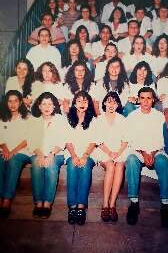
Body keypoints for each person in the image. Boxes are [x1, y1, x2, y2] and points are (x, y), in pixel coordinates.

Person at [124, 87, 168, 227]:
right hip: (138, 151)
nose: (145, 101)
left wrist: (151, 153)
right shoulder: (132, 116)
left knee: (163, 162)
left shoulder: (159, 116)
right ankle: (134, 203)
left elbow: (161, 140)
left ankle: (165, 204)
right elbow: (130, 139)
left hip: (156, 151)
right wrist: (143, 153)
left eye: (149, 98)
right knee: (132, 161)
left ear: (153, 100)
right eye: (142, 98)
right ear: (138, 100)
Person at [28, 92, 67, 219]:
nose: (47, 107)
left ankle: (47, 203)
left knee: (51, 165)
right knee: (36, 163)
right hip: (38, 152)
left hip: (57, 153)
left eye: (50, 104)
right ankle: (38, 202)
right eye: (44, 104)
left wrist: (51, 154)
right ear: (39, 106)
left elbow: (62, 141)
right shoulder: (34, 121)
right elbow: (31, 141)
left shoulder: (60, 120)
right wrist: (39, 154)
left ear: (55, 106)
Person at [91, 92, 128, 222]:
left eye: (114, 102)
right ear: (104, 103)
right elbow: (97, 140)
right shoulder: (98, 120)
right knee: (111, 166)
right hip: (103, 151)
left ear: (117, 104)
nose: (111, 104)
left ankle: (112, 205)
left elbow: (125, 139)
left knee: (120, 167)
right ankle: (105, 204)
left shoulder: (122, 119)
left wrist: (118, 152)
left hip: (119, 151)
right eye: (109, 101)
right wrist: (109, 152)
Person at [65, 91, 97, 225]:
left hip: (88, 153)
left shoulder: (93, 120)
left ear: (88, 103)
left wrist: (84, 156)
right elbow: (67, 141)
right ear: (74, 103)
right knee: (72, 165)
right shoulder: (67, 118)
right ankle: (72, 206)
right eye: (79, 101)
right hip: (71, 152)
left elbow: (93, 141)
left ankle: (81, 207)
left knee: (84, 167)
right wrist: (74, 156)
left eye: (85, 101)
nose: (82, 104)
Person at [0, 91, 31, 217]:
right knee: (1, 160)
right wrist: (6, 149)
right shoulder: (2, 117)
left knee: (13, 161)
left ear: (21, 102)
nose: (13, 104)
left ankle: (7, 199)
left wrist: (13, 151)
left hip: (22, 151)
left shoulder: (27, 117)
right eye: (10, 101)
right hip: (5, 150)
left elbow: (27, 139)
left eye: (16, 101)